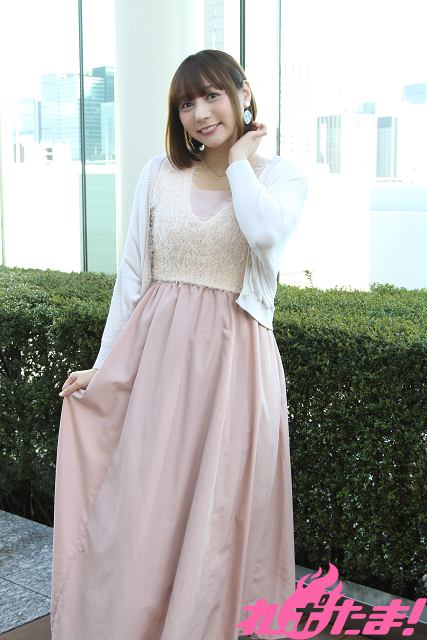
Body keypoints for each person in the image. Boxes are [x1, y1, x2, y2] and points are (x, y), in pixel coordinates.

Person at [50, 49, 309, 640]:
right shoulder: (157, 174)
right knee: (147, 505)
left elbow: (265, 232)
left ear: (243, 93)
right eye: (187, 103)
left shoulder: (281, 176)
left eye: (213, 95)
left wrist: (239, 162)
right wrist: (103, 367)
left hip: (235, 371)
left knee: (217, 515)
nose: (200, 113)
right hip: (160, 364)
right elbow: (131, 280)